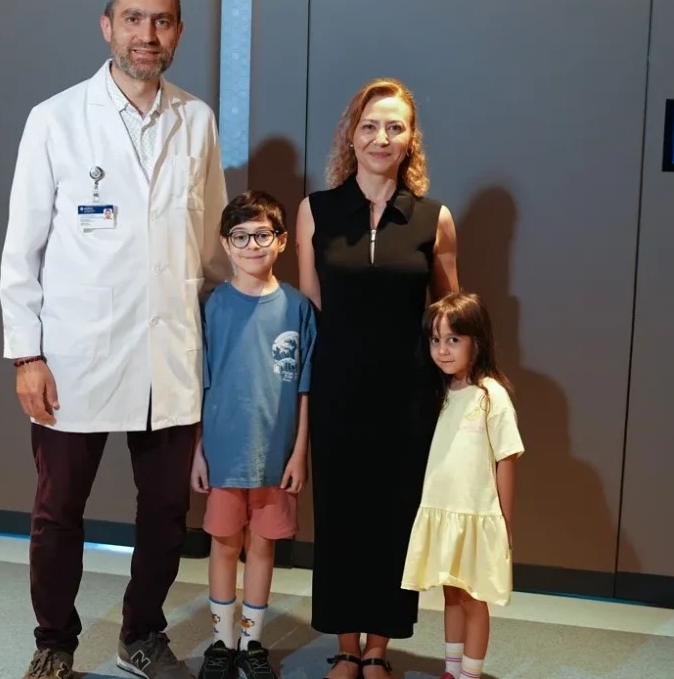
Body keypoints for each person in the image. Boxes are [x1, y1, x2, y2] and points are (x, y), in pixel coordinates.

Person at [0, 0, 230, 679]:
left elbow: (211, 246)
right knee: (58, 509)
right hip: (77, 354)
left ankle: (142, 633)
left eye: (161, 21)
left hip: (169, 352)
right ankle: (54, 641)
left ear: (178, 32)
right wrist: (26, 355)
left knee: (164, 512)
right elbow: (21, 249)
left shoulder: (197, 121)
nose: (146, 34)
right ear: (107, 26)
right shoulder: (55, 119)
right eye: (133, 18)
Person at [295, 77, 459, 679]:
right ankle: (345, 643)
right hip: (337, 389)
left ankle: (378, 648)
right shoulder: (315, 210)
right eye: (369, 126)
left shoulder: (434, 219)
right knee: (340, 515)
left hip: (408, 395)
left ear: (410, 138)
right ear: (351, 135)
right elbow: (311, 305)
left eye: (394, 127)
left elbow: (449, 313)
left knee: (395, 518)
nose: (380, 137)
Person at [190, 190, 317, 679]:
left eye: (262, 235)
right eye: (240, 237)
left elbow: (305, 389)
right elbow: (199, 383)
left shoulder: (298, 308)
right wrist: (198, 451)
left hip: (276, 456)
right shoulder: (212, 306)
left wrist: (299, 452)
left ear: (281, 241)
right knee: (224, 544)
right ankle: (222, 643)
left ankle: (252, 643)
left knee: (263, 547)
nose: (251, 246)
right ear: (225, 243)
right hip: (223, 453)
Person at [401, 291, 523, 679]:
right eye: (436, 340)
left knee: (473, 598)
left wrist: (504, 522)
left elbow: (507, 458)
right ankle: (452, 670)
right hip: (443, 511)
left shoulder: (492, 396)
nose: (443, 350)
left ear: (477, 340)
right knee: (450, 593)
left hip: (476, 516)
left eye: (453, 339)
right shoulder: (441, 394)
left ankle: (470, 674)